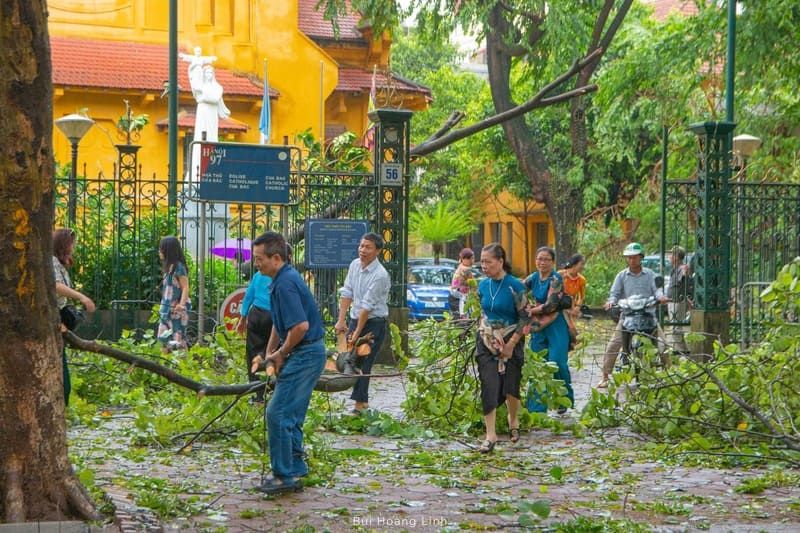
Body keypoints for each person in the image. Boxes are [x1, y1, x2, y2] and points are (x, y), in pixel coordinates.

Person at [249, 232, 326, 495]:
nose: (256, 264)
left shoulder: (285, 283)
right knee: (290, 412)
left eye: (259, 259)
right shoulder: (279, 280)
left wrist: (281, 353)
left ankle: (284, 477)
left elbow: (300, 326)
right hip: (304, 352)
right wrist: (271, 351)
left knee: (277, 413)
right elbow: (280, 322)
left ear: (276, 258)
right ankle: (295, 465)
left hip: (306, 353)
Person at [474, 243, 528, 453]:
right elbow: (484, 311)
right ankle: (490, 435)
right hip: (488, 341)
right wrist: (487, 332)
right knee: (489, 383)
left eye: (488, 261)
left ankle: (513, 421)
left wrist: (511, 344)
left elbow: (526, 318)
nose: (483, 266)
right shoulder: (482, 285)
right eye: (482, 261)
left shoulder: (515, 286)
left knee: (510, 385)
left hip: (512, 339)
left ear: (500, 261)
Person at [596, 242, 669, 389]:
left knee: (663, 345)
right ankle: (605, 376)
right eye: (629, 258)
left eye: (634, 257)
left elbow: (658, 291)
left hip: (648, 316)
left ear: (641, 258)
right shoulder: (621, 276)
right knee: (613, 345)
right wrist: (611, 302)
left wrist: (661, 297)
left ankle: (668, 375)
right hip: (627, 316)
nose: (631, 260)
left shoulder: (650, 275)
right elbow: (614, 294)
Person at [334, 233, 391, 414]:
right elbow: (347, 292)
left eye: (368, 247)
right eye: (361, 246)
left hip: (373, 323)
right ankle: (362, 402)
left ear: (378, 251)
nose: (363, 250)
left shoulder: (380, 275)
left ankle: (359, 405)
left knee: (363, 362)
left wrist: (358, 332)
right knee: (350, 361)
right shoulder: (354, 265)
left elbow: (367, 307)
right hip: (355, 318)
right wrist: (341, 321)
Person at [525, 247, 574, 414]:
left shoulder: (556, 278)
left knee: (557, 362)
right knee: (538, 365)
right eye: (539, 259)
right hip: (539, 327)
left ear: (552, 262)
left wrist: (532, 310)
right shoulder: (533, 277)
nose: (542, 262)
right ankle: (536, 409)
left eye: (546, 259)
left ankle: (563, 399)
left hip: (556, 324)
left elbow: (551, 304)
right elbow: (518, 291)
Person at [52, 228, 96, 405]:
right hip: (55, 317)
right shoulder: (52, 261)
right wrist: (81, 297)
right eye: (71, 244)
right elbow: (55, 285)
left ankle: (63, 404)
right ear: (63, 244)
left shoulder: (58, 262)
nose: (73, 247)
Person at [238, 269, 272, 403]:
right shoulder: (282, 276)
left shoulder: (258, 275)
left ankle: (257, 394)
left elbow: (248, 296)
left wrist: (242, 318)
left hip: (256, 314)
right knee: (272, 351)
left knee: (253, 353)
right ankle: (271, 386)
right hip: (273, 317)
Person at [157, 236, 190, 353]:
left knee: (178, 340)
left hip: (176, 309)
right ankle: (164, 367)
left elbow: (185, 286)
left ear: (168, 250)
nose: (159, 251)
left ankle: (184, 366)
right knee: (163, 339)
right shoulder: (168, 267)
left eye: (161, 249)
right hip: (166, 308)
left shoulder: (178, 267)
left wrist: (181, 305)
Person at [666, 245, 691, 355]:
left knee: (676, 327)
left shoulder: (681, 268)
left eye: (671, 254)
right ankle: (679, 349)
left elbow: (685, 278)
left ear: (676, 256)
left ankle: (682, 351)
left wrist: (686, 272)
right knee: (674, 327)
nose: (669, 256)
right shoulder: (674, 269)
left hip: (678, 301)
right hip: (672, 301)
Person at [450, 248, 476, 318]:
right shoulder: (465, 269)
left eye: (473, 259)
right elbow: (473, 283)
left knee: (466, 296)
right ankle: (463, 315)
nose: (472, 261)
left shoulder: (461, 266)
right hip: (457, 291)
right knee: (464, 297)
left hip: (456, 291)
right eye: (471, 259)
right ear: (464, 259)